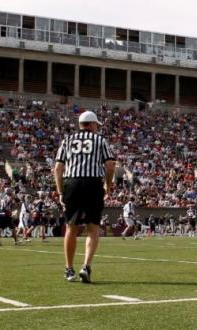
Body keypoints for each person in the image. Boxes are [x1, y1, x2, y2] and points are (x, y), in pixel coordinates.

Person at [54, 110, 115, 283]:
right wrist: (107, 186)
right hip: (92, 184)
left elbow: (58, 169)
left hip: (71, 183)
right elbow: (110, 166)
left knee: (71, 228)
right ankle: (86, 266)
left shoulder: (67, 140)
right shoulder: (100, 140)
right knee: (93, 228)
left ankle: (68, 269)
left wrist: (60, 192)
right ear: (92, 124)